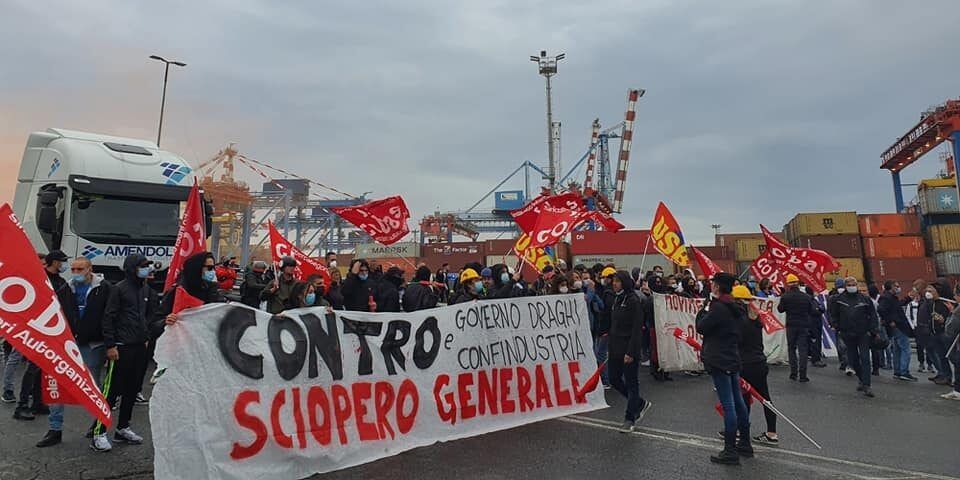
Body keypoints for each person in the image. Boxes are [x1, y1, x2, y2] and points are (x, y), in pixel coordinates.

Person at [37, 256, 113, 448]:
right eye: (73, 269)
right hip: (67, 344)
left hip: (93, 345)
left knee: (94, 387)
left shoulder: (104, 288)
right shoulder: (65, 288)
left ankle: (98, 427)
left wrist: (110, 343)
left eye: (80, 269)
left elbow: (110, 316)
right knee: (58, 384)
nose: (76, 273)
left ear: (90, 269)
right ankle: (55, 429)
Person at [98, 254, 160, 450]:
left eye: (148, 265)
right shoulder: (119, 289)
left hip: (139, 346)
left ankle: (123, 427)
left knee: (132, 390)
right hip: (121, 347)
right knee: (111, 390)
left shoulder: (146, 289)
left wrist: (146, 336)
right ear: (132, 268)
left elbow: (149, 316)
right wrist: (110, 345)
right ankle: (99, 432)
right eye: (143, 266)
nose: (147, 269)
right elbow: (108, 317)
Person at [697, 272, 751, 465]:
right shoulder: (736, 307)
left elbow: (701, 327)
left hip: (719, 358)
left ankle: (730, 450)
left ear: (718, 287)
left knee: (728, 405)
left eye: (713, 283)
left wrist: (704, 309)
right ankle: (745, 442)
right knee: (738, 401)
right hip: (732, 357)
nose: (711, 286)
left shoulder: (718, 308)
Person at [731, 285, 778, 446]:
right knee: (765, 398)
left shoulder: (738, 320)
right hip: (759, 362)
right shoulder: (756, 318)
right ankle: (772, 433)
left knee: (743, 399)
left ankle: (740, 431)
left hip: (744, 363)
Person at [607, 270, 652, 433]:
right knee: (614, 379)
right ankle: (639, 403)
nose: (614, 284)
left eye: (618, 281)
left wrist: (631, 352)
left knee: (632, 383)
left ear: (625, 282)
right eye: (613, 281)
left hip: (628, 349)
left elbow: (636, 329)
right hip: (615, 348)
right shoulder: (617, 299)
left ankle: (630, 418)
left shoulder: (633, 301)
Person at [829, 276, 880, 397]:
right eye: (849, 285)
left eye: (853, 284)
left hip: (863, 333)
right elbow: (833, 314)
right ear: (845, 286)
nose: (851, 287)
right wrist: (836, 326)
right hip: (847, 333)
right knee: (853, 360)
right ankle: (862, 379)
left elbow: (872, 315)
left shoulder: (864, 299)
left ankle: (867, 385)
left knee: (865, 358)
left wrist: (873, 330)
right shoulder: (838, 299)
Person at [777, 274, 817, 382]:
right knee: (803, 350)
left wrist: (783, 298)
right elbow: (812, 310)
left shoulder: (785, 296)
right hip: (803, 325)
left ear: (788, 284)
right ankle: (803, 375)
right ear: (798, 283)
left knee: (791, 349)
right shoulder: (806, 297)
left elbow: (780, 309)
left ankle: (793, 373)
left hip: (791, 325)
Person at [878, 280, 917, 381]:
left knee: (897, 349)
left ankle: (898, 371)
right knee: (905, 349)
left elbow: (897, 306)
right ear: (891, 287)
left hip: (896, 326)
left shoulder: (890, 298)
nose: (898, 288)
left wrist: (908, 298)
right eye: (896, 286)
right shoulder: (886, 298)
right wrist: (890, 320)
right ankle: (904, 371)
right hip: (898, 326)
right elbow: (881, 309)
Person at [925, 283, 953, 386]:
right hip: (934, 333)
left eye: (930, 291)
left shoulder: (944, 303)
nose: (928, 293)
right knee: (941, 356)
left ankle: (951, 378)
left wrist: (943, 320)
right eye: (927, 291)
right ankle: (945, 376)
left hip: (943, 333)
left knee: (952, 356)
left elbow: (950, 317)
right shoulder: (931, 303)